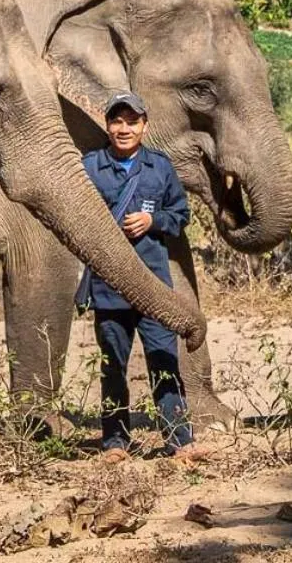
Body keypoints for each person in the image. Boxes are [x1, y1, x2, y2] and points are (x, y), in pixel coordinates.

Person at [76, 92, 195, 460]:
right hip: (108, 285)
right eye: (117, 121)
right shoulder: (89, 167)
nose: (124, 129)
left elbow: (181, 214)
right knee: (113, 365)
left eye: (132, 121)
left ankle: (179, 441)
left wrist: (152, 221)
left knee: (164, 360)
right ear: (107, 125)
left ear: (144, 126)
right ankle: (115, 442)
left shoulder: (159, 167)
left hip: (152, 286)